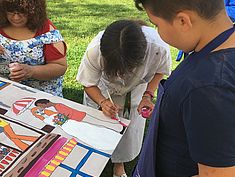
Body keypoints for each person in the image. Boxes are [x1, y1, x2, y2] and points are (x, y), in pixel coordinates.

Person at [133, 0, 235, 177]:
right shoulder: (220, 45)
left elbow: (218, 174)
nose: (158, 31)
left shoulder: (207, 87)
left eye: (157, 24)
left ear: (183, 21)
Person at [76, 20, 171, 177]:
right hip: (102, 88)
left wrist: (148, 95)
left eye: (125, 69)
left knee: (128, 129)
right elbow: (89, 83)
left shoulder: (158, 48)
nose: (120, 75)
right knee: (96, 128)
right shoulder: (95, 50)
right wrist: (102, 101)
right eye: (115, 69)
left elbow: (159, 71)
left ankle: (119, 165)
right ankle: (93, 159)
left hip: (136, 90)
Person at [0, 0, 67, 97]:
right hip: (4, 88)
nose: (16, 17)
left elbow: (60, 67)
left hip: (39, 94)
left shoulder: (47, 31)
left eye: (22, 12)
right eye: (10, 11)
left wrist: (31, 71)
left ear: (34, 10)